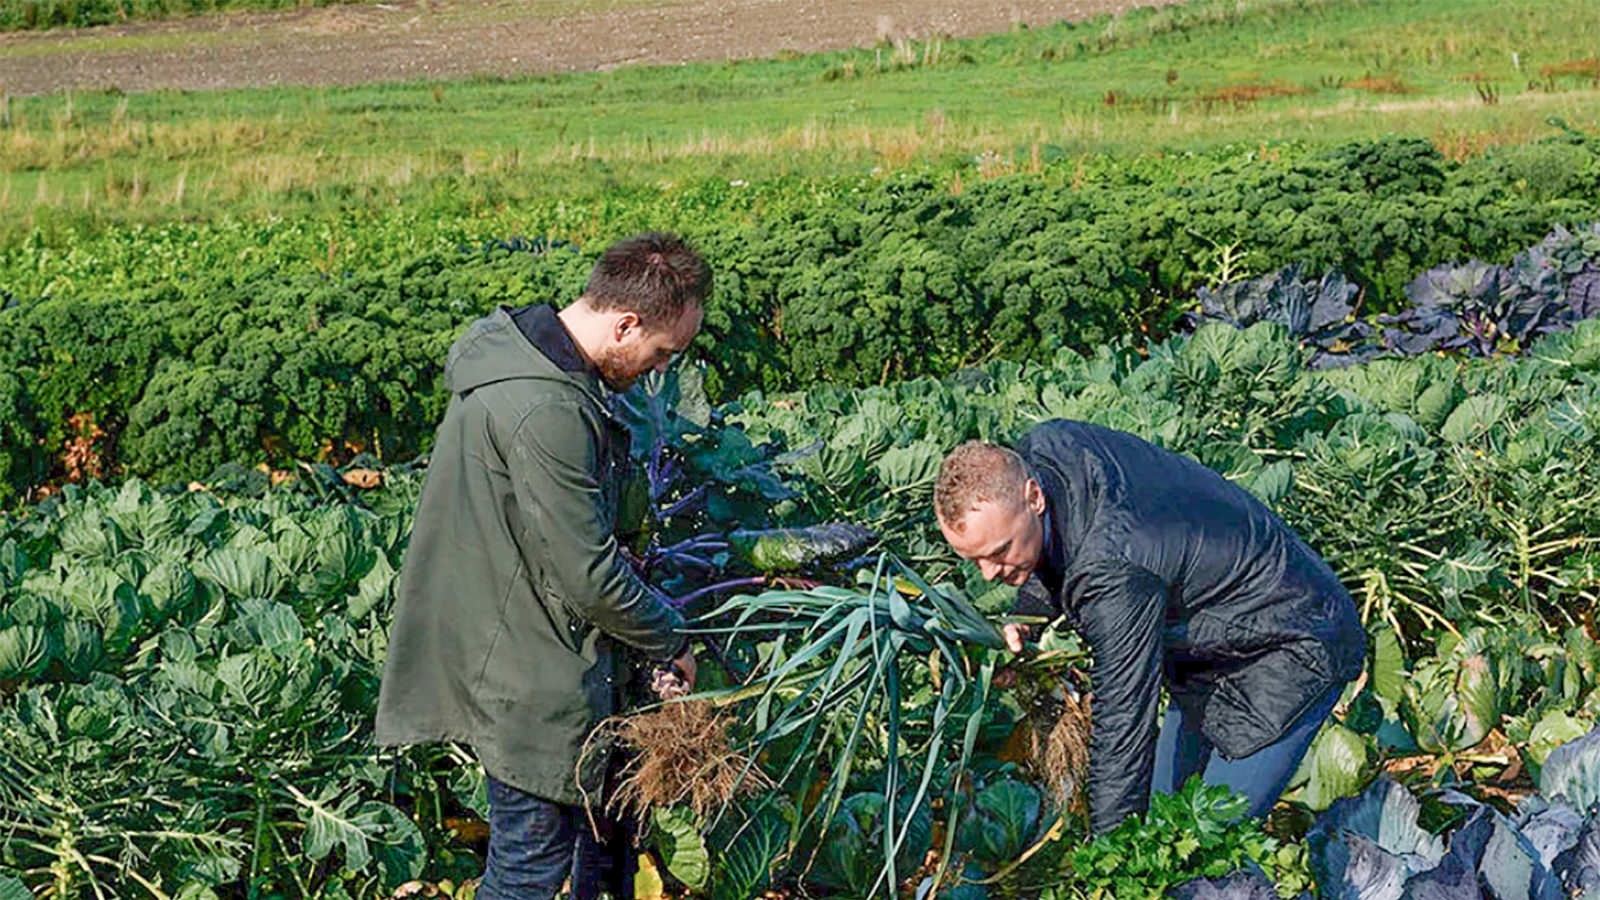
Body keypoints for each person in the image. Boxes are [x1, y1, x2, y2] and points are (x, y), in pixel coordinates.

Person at [375, 232, 710, 899]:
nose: (659, 370)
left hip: (519, 646)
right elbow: (586, 573)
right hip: (525, 675)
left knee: (584, 858)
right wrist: (670, 637)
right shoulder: (547, 408)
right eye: (662, 352)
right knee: (528, 875)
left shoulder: (528, 364)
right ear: (626, 323)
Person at [933, 419, 1364, 836]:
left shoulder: (1113, 571)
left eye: (1000, 551)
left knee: (1209, 848)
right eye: (974, 561)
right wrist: (1028, 616)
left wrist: (1111, 862)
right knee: (1162, 817)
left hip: (1292, 645)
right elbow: (1064, 537)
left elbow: (1123, 720)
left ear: (1033, 496)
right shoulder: (1048, 448)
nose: (988, 574)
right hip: (1210, 651)